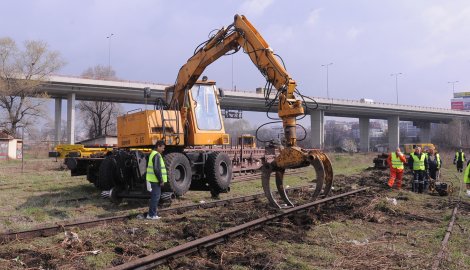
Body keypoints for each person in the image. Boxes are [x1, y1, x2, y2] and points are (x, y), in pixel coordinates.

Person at [146, 140, 167, 220]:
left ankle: (151, 214)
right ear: (158, 146)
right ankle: (152, 215)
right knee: (156, 197)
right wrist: (161, 180)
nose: (163, 149)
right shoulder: (157, 155)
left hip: (153, 179)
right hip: (155, 180)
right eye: (162, 148)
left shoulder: (152, 154)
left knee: (154, 197)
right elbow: (157, 169)